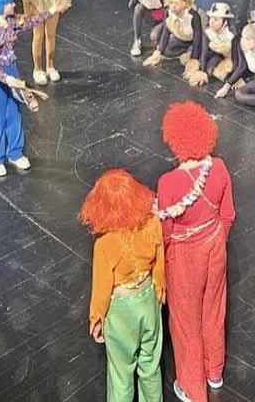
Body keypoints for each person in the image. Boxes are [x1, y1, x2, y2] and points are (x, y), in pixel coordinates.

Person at [157, 102, 235, 402]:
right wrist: (215, 240)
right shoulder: (220, 167)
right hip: (215, 245)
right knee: (214, 311)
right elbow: (228, 215)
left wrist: (163, 262)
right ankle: (214, 373)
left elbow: (165, 230)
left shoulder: (168, 182)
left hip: (185, 257)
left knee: (185, 321)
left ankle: (192, 389)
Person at [80, 170, 165, 402]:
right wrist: (159, 289)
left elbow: (101, 288)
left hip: (121, 311)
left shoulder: (105, 245)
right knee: (151, 364)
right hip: (148, 299)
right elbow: (159, 264)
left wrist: (96, 318)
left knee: (121, 374)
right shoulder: (153, 224)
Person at [0, 0, 68, 177]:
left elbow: (31, 22)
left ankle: (15, 153)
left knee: (14, 113)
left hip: (10, 69)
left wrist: (52, 9)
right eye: (9, 2)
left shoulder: (10, 21)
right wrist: (6, 79)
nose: (13, 4)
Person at [142, 0, 202, 68]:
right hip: (179, 38)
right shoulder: (169, 13)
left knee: (185, 60)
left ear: (184, 3)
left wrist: (194, 58)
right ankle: (182, 51)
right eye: (171, 3)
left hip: (191, 40)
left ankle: (188, 52)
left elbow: (197, 39)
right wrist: (158, 52)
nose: (173, 6)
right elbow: (166, 32)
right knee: (166, 52)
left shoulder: (193, 16)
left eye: (176, 3)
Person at [185, 3, 236, 88]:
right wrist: (202, 71)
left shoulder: (231, 35)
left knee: (221, 72)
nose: (211, 22)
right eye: (211, 18)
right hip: (216, 55)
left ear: (225, 22)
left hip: (231, 58)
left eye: (216, 19)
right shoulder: (208, 32)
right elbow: (204, 52)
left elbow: (238, 57)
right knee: (208, 69)